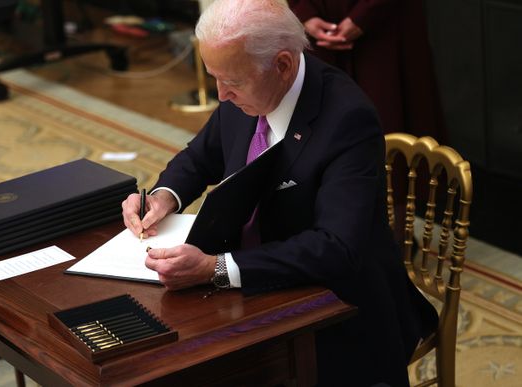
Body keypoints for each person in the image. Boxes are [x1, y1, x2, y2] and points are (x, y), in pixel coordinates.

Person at [120, 0, 437, 385]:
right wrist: (164, 196)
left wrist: (215, 268)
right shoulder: (245, 84)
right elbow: (201, 157)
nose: (221, 95)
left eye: (232, 83)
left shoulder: (348, 119)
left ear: (283, 65)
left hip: (334, 306)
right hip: (246, 287)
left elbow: (335, 247)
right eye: (214, 78)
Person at [287, 0, 446, 141]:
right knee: (322, 122)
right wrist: (304, 12)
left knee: (389, 119)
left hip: (387, 27)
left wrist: (365, 13)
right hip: (320, 28)